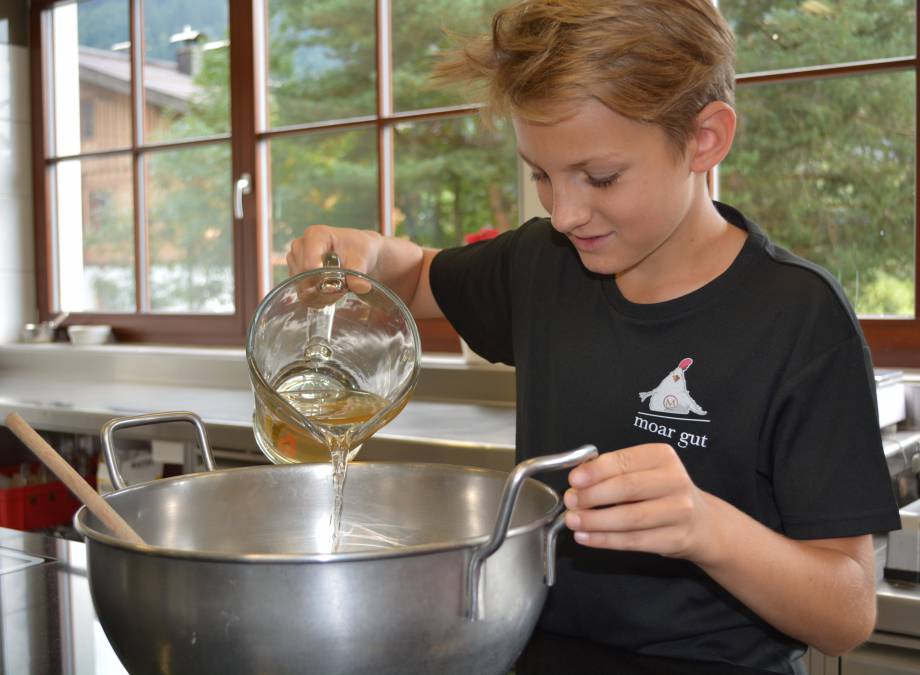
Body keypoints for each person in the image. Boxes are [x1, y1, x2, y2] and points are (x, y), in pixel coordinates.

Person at [286, 1, 901, 672]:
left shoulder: (798, 319)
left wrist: (705, 525)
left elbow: (848, 612)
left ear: (705, 139)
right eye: (542, 175)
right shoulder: (542, 265)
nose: (566, 212)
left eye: (600, 177)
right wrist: (364, 254)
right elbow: (415, 278)